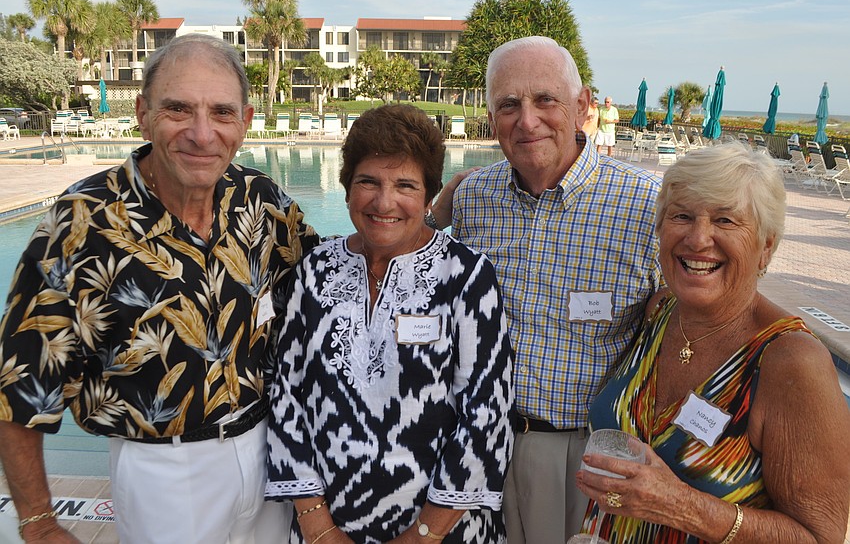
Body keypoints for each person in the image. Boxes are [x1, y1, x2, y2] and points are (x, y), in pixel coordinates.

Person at [0, 33, 319, 543]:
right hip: (164, 473)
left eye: (221, 112)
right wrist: (38, 523)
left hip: (268, 454)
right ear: (143, 114)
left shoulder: (263, 202)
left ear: (245, 121)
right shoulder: (82, 223)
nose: (202, 133)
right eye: (178, 109)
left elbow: (335, 278)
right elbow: (19, 382)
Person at [575, 141, 850, 543]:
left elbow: (818, 536)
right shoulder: (661, 311)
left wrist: (682, 506)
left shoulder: (792, 361)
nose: (698, 239)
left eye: (725, 220)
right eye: (682, 216)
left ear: (765, 246)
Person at [265, 104, 514, 543]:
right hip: (327, 526)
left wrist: (423, 535)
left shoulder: (466, 276)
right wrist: (318, 526)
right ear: (346, 189)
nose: (384, 202)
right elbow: (286, 394)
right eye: (368, 182)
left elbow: (486, 416)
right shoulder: (316, 270)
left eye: (405, 185)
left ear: (429, 196)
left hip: (444, 528)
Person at [451, 36, 662, 543]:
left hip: (588, 455)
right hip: (479, 444)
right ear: (491, 117)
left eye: (546, 99)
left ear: (582, 106)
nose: (527, 121)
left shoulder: (647, 206)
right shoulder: (471, 198)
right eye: (509, 105)